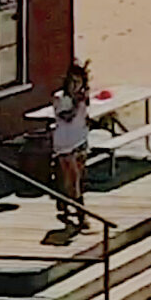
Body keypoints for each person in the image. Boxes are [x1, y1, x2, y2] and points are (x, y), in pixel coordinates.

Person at [51, 61, 91, 235]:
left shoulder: (84, 97)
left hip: (80, 139)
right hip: (65, 143)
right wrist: (76, 103)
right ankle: (82, 215)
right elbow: (65, 117)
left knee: (77, 178)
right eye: (72, 82)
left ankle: (65, 202)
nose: (75, 86)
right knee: (72, 178)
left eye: (78, 82)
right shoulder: (61, 97)